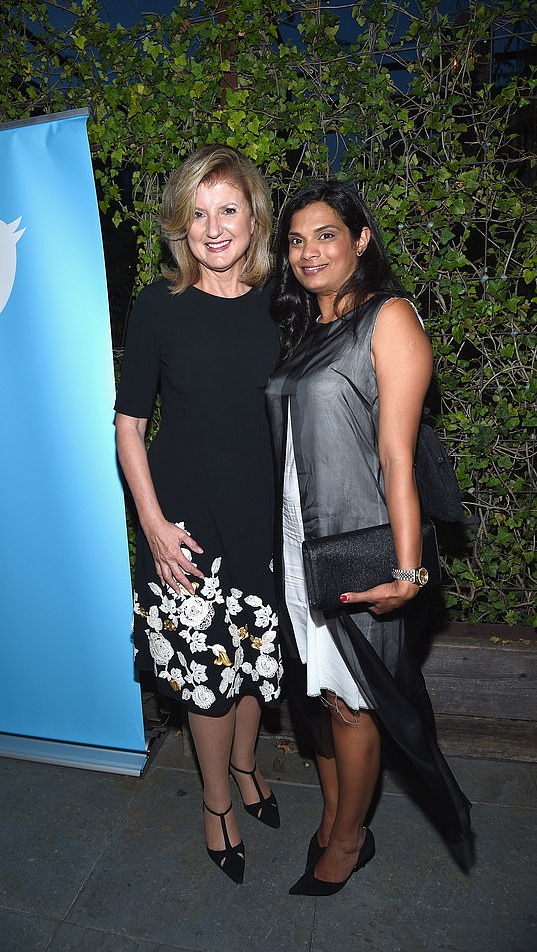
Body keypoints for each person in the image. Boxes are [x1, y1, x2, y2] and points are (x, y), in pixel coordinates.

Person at [265, 181, 473, 896]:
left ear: (360, 239)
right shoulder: (304, 329)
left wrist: (409, 572)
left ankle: (349, 840)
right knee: (319, 694)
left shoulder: (389, 319)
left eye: (326, 234)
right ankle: (335, 815)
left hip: (357, 546)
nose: (308, 251)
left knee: (356, 702)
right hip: (297, 544)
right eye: (296, 240)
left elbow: (396, 455)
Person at [115, 146, 283, 885]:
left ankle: (247, 765)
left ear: (253, 219)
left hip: (268, 518)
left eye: (229, 209)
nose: (214, 227)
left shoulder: (286, 302)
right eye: (199, 211)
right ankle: (216, 801)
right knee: (209, 674)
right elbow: (128, 425)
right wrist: (150, 522)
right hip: (183, 522)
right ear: (181, 223)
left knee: (252, 658)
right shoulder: (159, 303)